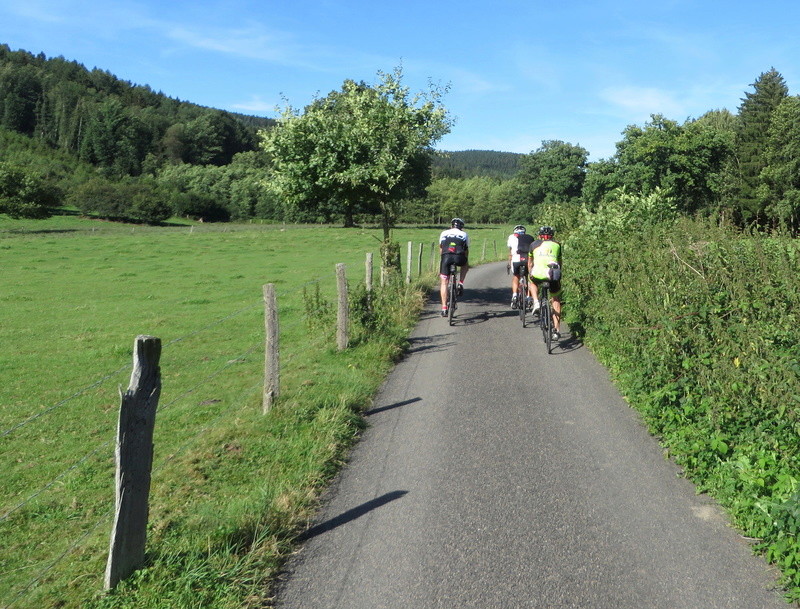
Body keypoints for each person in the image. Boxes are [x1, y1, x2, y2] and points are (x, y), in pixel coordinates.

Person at [528, 225, 563, 339]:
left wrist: (530, 273)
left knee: (531, 282)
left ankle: (536, 302)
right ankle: (556, 331)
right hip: (552, 274)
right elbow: (559, 262)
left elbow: (530, 263)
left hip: (538, 274)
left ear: (539, 236)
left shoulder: (533, 245)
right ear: (552, 236)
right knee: (556, 299)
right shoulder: (557, 245)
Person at [438, 217, 470, 317]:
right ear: (461, 227)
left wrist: (443, 259)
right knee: (465, 264)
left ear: (451, 226)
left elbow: (441, 248)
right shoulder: (464, 234)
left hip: (446, 257)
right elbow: (466, 250)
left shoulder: (444, 233)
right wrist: (465, 259)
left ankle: (444, 308)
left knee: (444, 283)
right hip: (459, 257)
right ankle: (460, 283)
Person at [506, 224, 535, 310]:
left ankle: (514, 295)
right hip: (526, 260)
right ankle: (529, 297)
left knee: (516, 276)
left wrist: (509, 263)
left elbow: (510, 253)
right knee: (528, 277)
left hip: (516, 260)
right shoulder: (529, 238)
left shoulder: (511, 237)